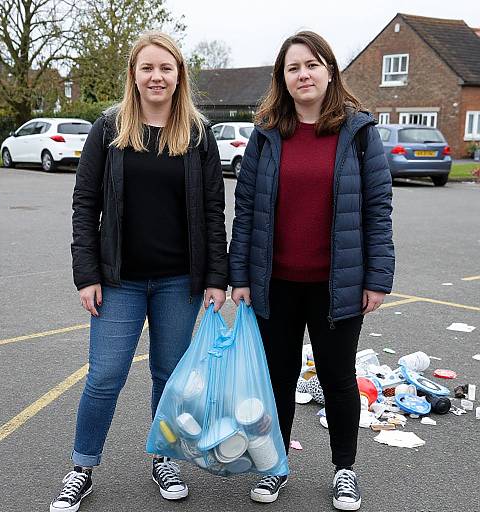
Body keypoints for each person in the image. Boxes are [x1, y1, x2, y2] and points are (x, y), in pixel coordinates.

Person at [50, 31, 227, 512]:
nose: (157, 77)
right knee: (104, 376)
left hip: (179, 282)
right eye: (147, 68)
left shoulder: (197, 133)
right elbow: (84, 205)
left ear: (179, 75)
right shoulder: (109, 129)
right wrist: (85, 274)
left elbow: (214, 209)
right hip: (118, 280)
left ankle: (163, 457)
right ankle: (82, 467)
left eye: (166, 68)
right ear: (134, 74)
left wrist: (216, 276)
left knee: (169, 376)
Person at [229, 31, 394, 510]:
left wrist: (377, 277)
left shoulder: (359, 133)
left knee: (338, 380)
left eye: (312, 65)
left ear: (329, 71)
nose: (303, 74)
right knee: (277, 379)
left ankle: (345, 470)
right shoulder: (265, 134)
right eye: (293, 67)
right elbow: (246, 211)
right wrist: (240, 276)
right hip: (275, 283)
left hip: (336, 284)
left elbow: (378, 209)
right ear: (283, 78)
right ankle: (275, 466)